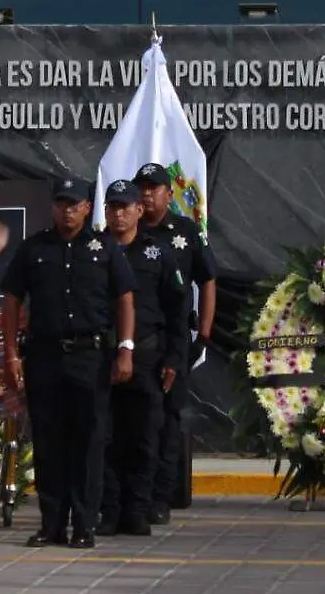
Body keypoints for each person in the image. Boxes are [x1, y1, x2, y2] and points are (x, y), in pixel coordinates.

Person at [0, 176, 136, 549]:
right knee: (48, 441)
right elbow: (11, 300)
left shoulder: (105, 249)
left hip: (90, 356)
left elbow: (124, 298)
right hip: (44, 356)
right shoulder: (34, 248)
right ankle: (52, 523)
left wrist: (125, 348)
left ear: (87, 208)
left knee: (88, 441)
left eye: (74, 203)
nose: (66, 210)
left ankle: (84, 524)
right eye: (61, 203)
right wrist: (11, 353)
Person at [96, 180, 188, 537]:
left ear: (139, 210)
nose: (119, 214)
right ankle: (109, 509)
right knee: (103, 435)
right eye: (113, 207)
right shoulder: (94, 250)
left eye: (125, 207)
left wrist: (176, 359)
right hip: (101, 355)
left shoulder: (158, 252)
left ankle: (137, 508)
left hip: (149, 357)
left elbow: (178, 309)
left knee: (144, 437)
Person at [132, 162, 219, 525]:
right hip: (130, 341)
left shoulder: (183, 231)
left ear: (170, 194)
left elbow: (208, 279)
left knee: (167, 419)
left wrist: (205, 332)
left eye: (155, 188)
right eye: (143, 187)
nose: (148, 194)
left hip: (173, 340)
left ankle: (159, 496)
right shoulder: (125, 231)